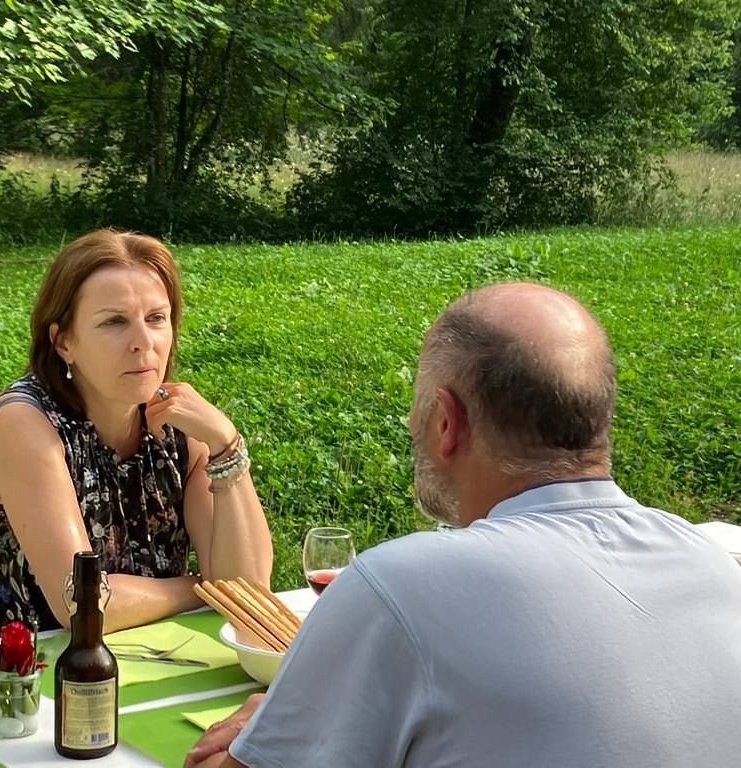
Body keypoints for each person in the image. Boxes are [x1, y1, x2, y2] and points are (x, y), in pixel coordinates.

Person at [185, 282, 741, 768]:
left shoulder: (401, 585)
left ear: (447, 422)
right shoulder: (713, 565)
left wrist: (268, 731)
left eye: (418, 408)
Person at [0, 229, 272, 644]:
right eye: (114, 322)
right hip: (16, 676)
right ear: (63, 342)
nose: (143, 342)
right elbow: (81, 604)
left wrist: (226, 446)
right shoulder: (26, 422)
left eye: (156, 319)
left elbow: (249, 594)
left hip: (152, 655)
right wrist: (200, 587)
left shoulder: (183, 427)